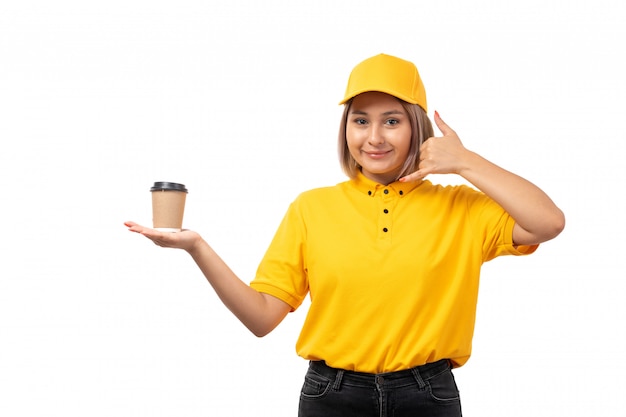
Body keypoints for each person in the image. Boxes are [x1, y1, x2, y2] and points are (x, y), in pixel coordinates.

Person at [125, 53, 565, 417]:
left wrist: (466, 161)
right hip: (330, 397)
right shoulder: (312, 208)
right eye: (360, 121)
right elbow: (261, 318)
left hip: (427, 396)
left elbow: (548, 222)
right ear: (346, 129)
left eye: (391, 121)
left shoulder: (461, 208)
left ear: (416, 126)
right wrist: (197, 247)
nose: (374, 137)